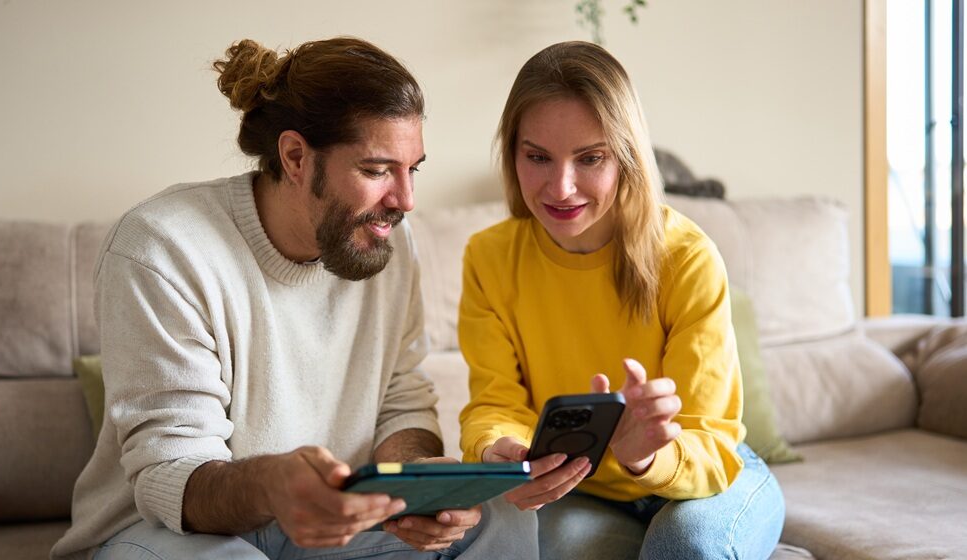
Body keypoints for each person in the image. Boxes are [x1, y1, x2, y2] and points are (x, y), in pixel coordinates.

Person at [51, 36, 537, 560]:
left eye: (411, 168)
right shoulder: (163, 247)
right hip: (169, 533)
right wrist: (274, 486)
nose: (405, 200)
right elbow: (172, 477)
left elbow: (401, 400)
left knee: (504, 518)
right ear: (295, 156)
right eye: (376, 171)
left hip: (337, 524)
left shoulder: (386, 239)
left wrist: (417, 487)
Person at [457, 41, 785, 559]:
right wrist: (499, 451)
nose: (560, 188)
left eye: (590, 158)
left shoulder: (687, 256)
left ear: (626, 155)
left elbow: (711, 441)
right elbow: (495, 402)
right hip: (586, 489)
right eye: (537, 156)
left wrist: (644, 458)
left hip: (709, 474)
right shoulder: (489, 257)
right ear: (511, 152)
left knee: (684, 544)